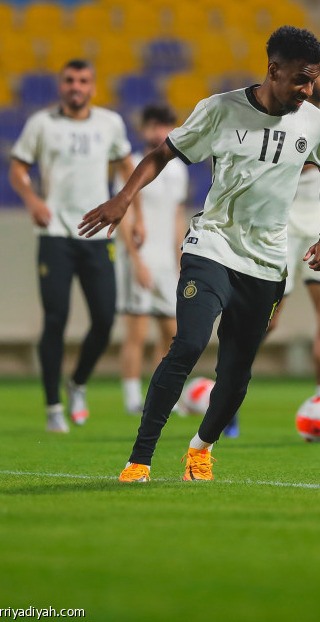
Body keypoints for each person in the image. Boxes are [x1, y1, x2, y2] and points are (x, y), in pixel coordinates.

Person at [80, 26, 320, 483]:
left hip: (267, 261)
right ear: (273, 70)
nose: (307, 90)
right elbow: (161, 155)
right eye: (301, 79)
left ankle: (200, 450)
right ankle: (139, 460)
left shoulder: (315, 123)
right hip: (213, 245)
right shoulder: (221, 109)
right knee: (188, 343)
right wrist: (123, 198)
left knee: (236, 373)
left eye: (313, 80)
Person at [9, 58, 139, 433]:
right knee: (55, 318)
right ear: (61, 86)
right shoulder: (42, 124)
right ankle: (53, 408)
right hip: (55, 235)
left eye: (83, 81)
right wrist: (33, 201)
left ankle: (77, 383)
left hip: (96, 235)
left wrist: (137, 215)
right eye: (69, 80)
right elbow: (18, 169)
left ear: (93, 87)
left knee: (105, 320)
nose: (76, 86)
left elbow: (126, 169)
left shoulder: (109, 123)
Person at [267, 44, 320, 402]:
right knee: (266, 321)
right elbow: (274, 164)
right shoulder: (280, 110)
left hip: (319, 222)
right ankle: (229, 394)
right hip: (280, 223)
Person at [115, 104, 189, 416]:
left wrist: (181, 259)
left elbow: (177, 217)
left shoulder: (178, 169)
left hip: (167, 264)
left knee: (173, 334)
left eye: (166, 126)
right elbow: (123, 215)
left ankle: (162, 395)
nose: (160, 132)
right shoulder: (131, 165)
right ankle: (132, 397)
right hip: (139, 259)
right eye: (155, 125)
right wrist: (136, 261)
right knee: (137, 332)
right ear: (144, 128)